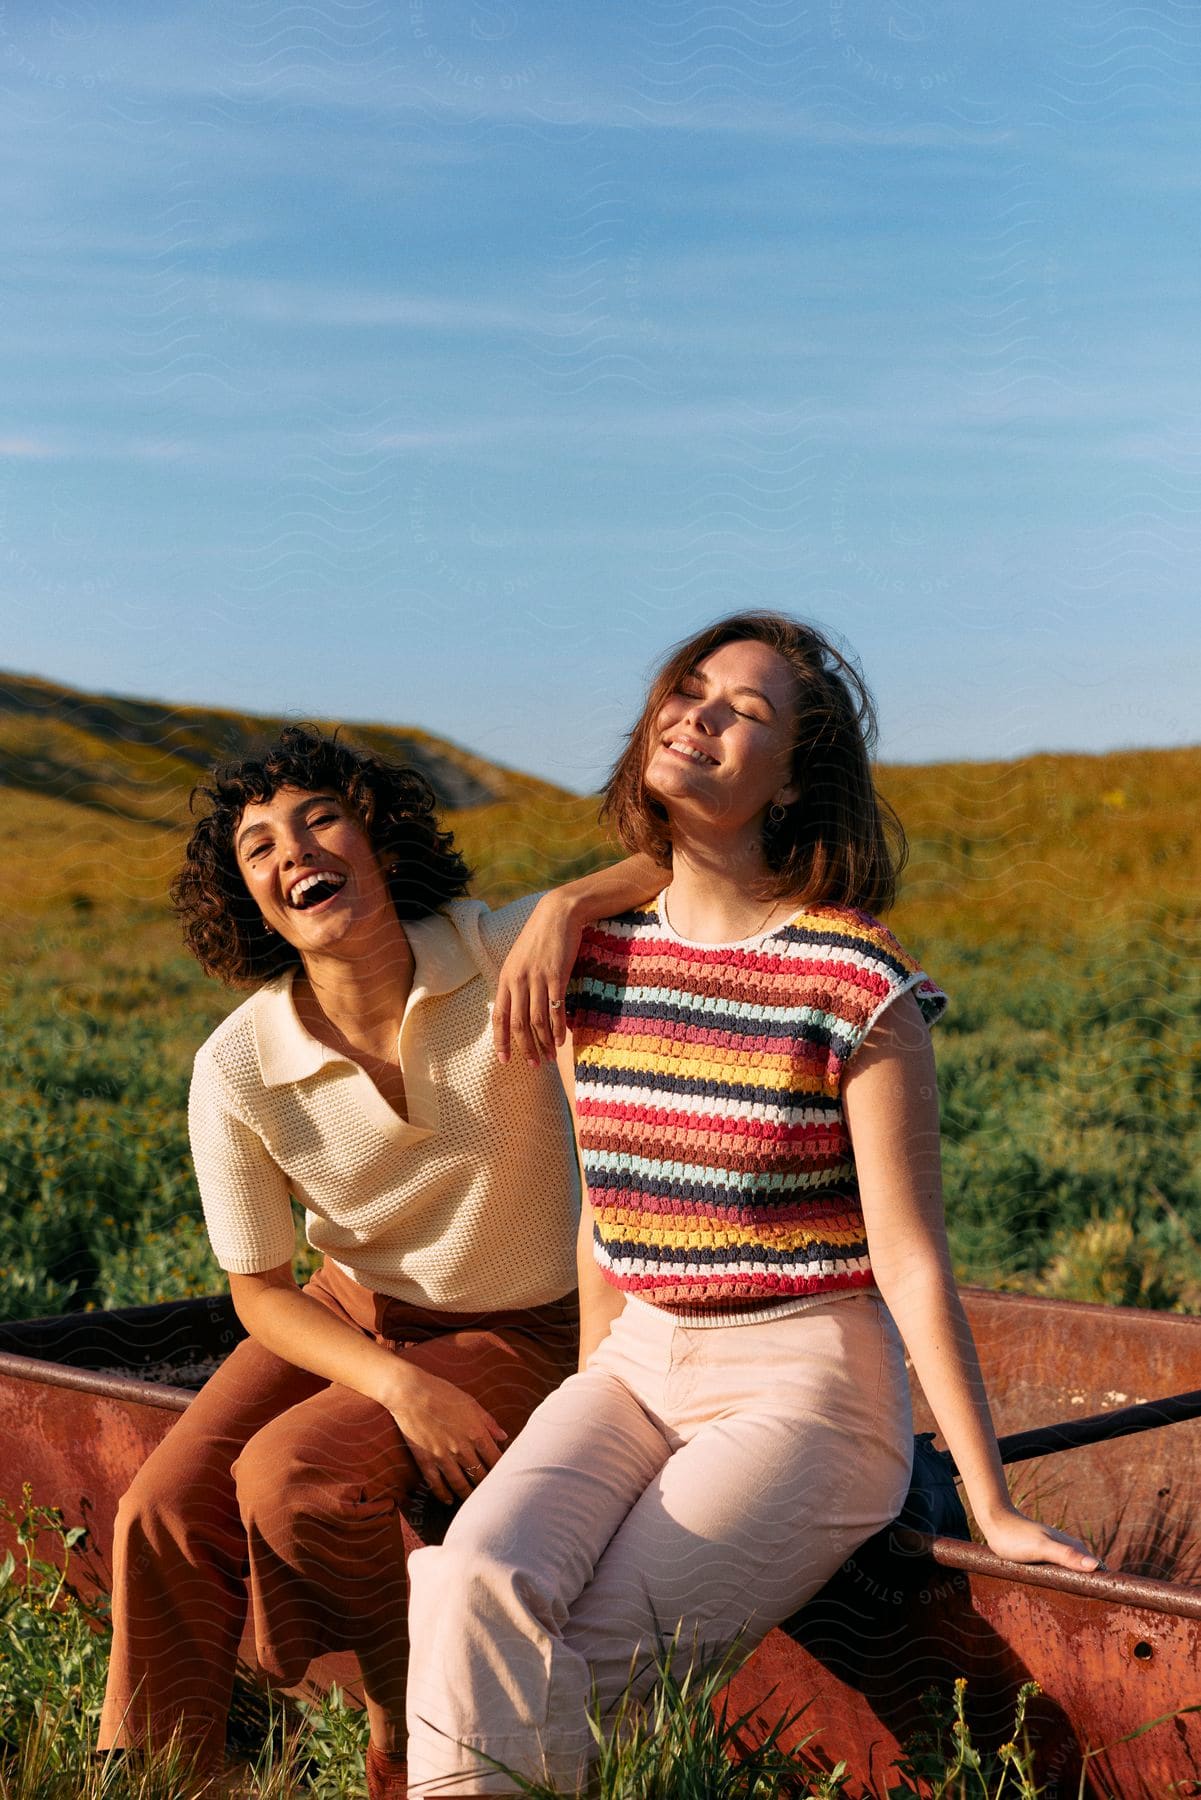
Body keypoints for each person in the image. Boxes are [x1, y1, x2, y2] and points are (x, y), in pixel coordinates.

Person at [404, 613, 1101, 1797]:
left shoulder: (851, 980)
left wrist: (989, 1503)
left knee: (557, 1661)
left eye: (748, 711)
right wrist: (589, 1395)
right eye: (690, 689)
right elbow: (605, 1211)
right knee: (472, 1585)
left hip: (808, 1389)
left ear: (790, 784)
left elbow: (910, 1259)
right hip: (634, 1361)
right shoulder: (591, 958)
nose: (701, 713)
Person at [97, 725, 659, 1799]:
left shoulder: (494, 948)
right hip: (352, 1312)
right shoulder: (238, 1065)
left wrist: (567, 909)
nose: (292, 851)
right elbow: (261, 1295)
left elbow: (684, 863)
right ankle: (166, 1777)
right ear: (247, 897)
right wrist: (400, 1387)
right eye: (258, 845)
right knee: (162, 1510)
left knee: (291, 1483)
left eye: (319, 818)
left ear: (378, 840)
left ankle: (410, 1739)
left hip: (525, 1318)